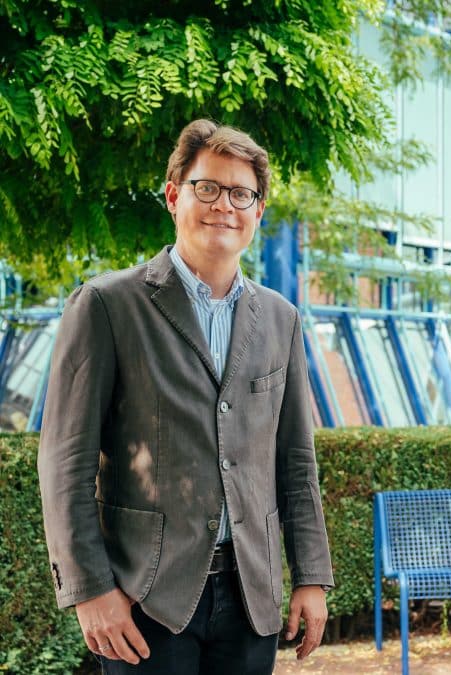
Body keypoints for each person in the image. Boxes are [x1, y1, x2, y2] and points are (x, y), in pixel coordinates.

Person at [37, 119, 334, 674]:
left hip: (252, 597)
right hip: (144, 599)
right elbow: (64, 462)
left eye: (241, 193)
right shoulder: (105, 305)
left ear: (258, 211)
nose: (224, 205)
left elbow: (295, 460)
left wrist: (311, 575)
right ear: (175, 196)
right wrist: (89, 590)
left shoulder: (281, 318)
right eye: (208, 187)